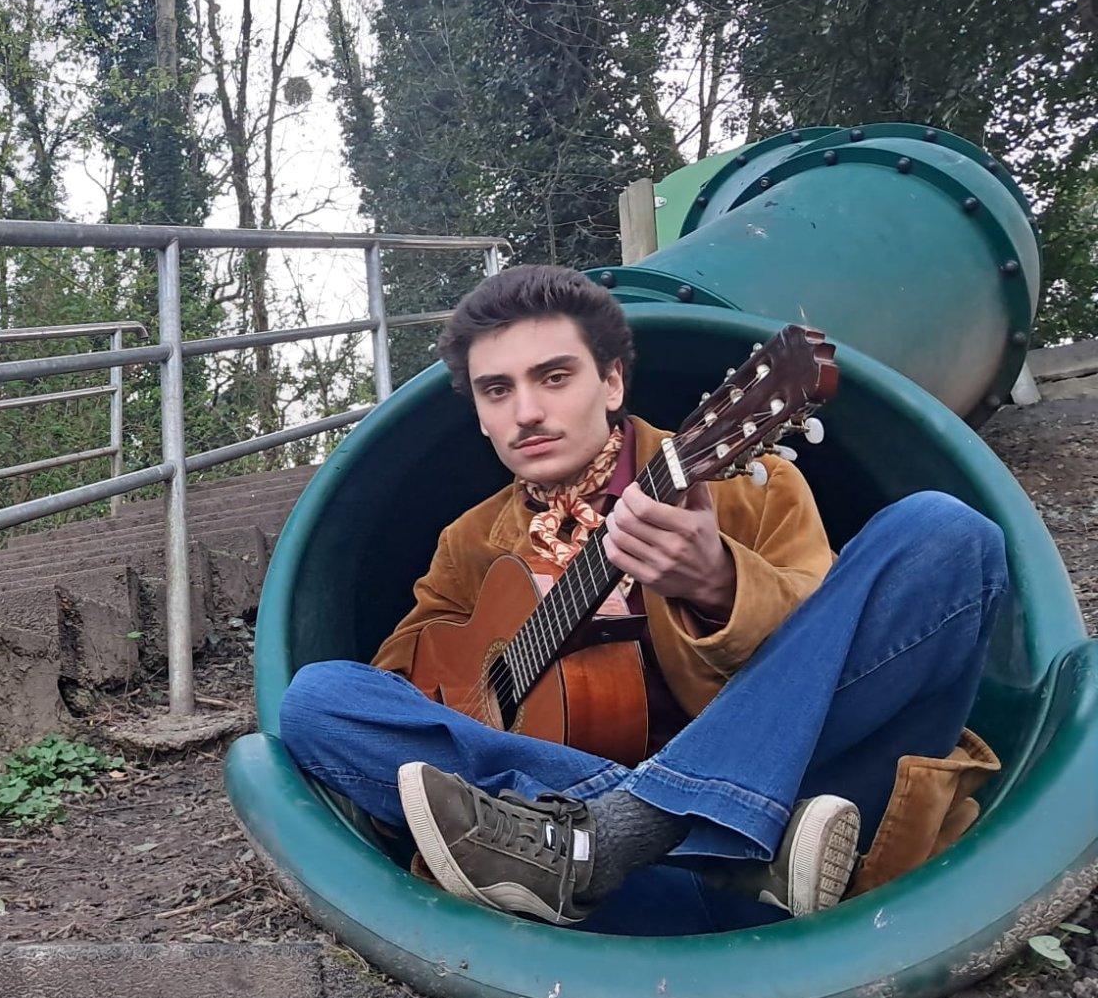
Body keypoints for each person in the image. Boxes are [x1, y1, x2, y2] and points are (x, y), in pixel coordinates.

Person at [277, 264, 1005, 936]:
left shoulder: (749, 491)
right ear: (480, 416)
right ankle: (662, 850)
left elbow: (843, 654)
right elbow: (405, 672)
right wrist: (495, 672)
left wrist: (719, 585)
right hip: (722, 875)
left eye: (554, 376)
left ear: (613, 382)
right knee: (319, 699)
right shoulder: (471, 541)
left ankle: (623, 833)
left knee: (947, 535)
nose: (526, 411)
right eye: (497, 390)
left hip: (809, 812)